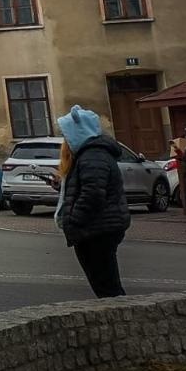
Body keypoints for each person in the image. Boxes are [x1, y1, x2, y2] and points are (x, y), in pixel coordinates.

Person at [56, 106, 130, 298]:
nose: (64, 141)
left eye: (66, 134)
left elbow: (93, 194)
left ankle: (121, 323)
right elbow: (89, 188)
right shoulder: (90, 154)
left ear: (77, 132)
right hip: (98, 228)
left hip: (97, 230)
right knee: (105, 284)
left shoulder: (93, 155)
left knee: (107, 287)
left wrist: (74, 219)